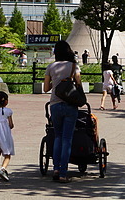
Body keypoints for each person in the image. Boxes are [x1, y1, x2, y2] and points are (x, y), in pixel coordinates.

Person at [43, 39, 82, 183]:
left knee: (58, 136)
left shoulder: (50, 67)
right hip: (70, 105)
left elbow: (46, 88)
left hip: (54, 104)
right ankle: (63, 173)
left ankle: (56, 169)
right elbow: (78, 84)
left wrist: (57, 80)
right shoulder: (74, 66)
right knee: (67, 139)